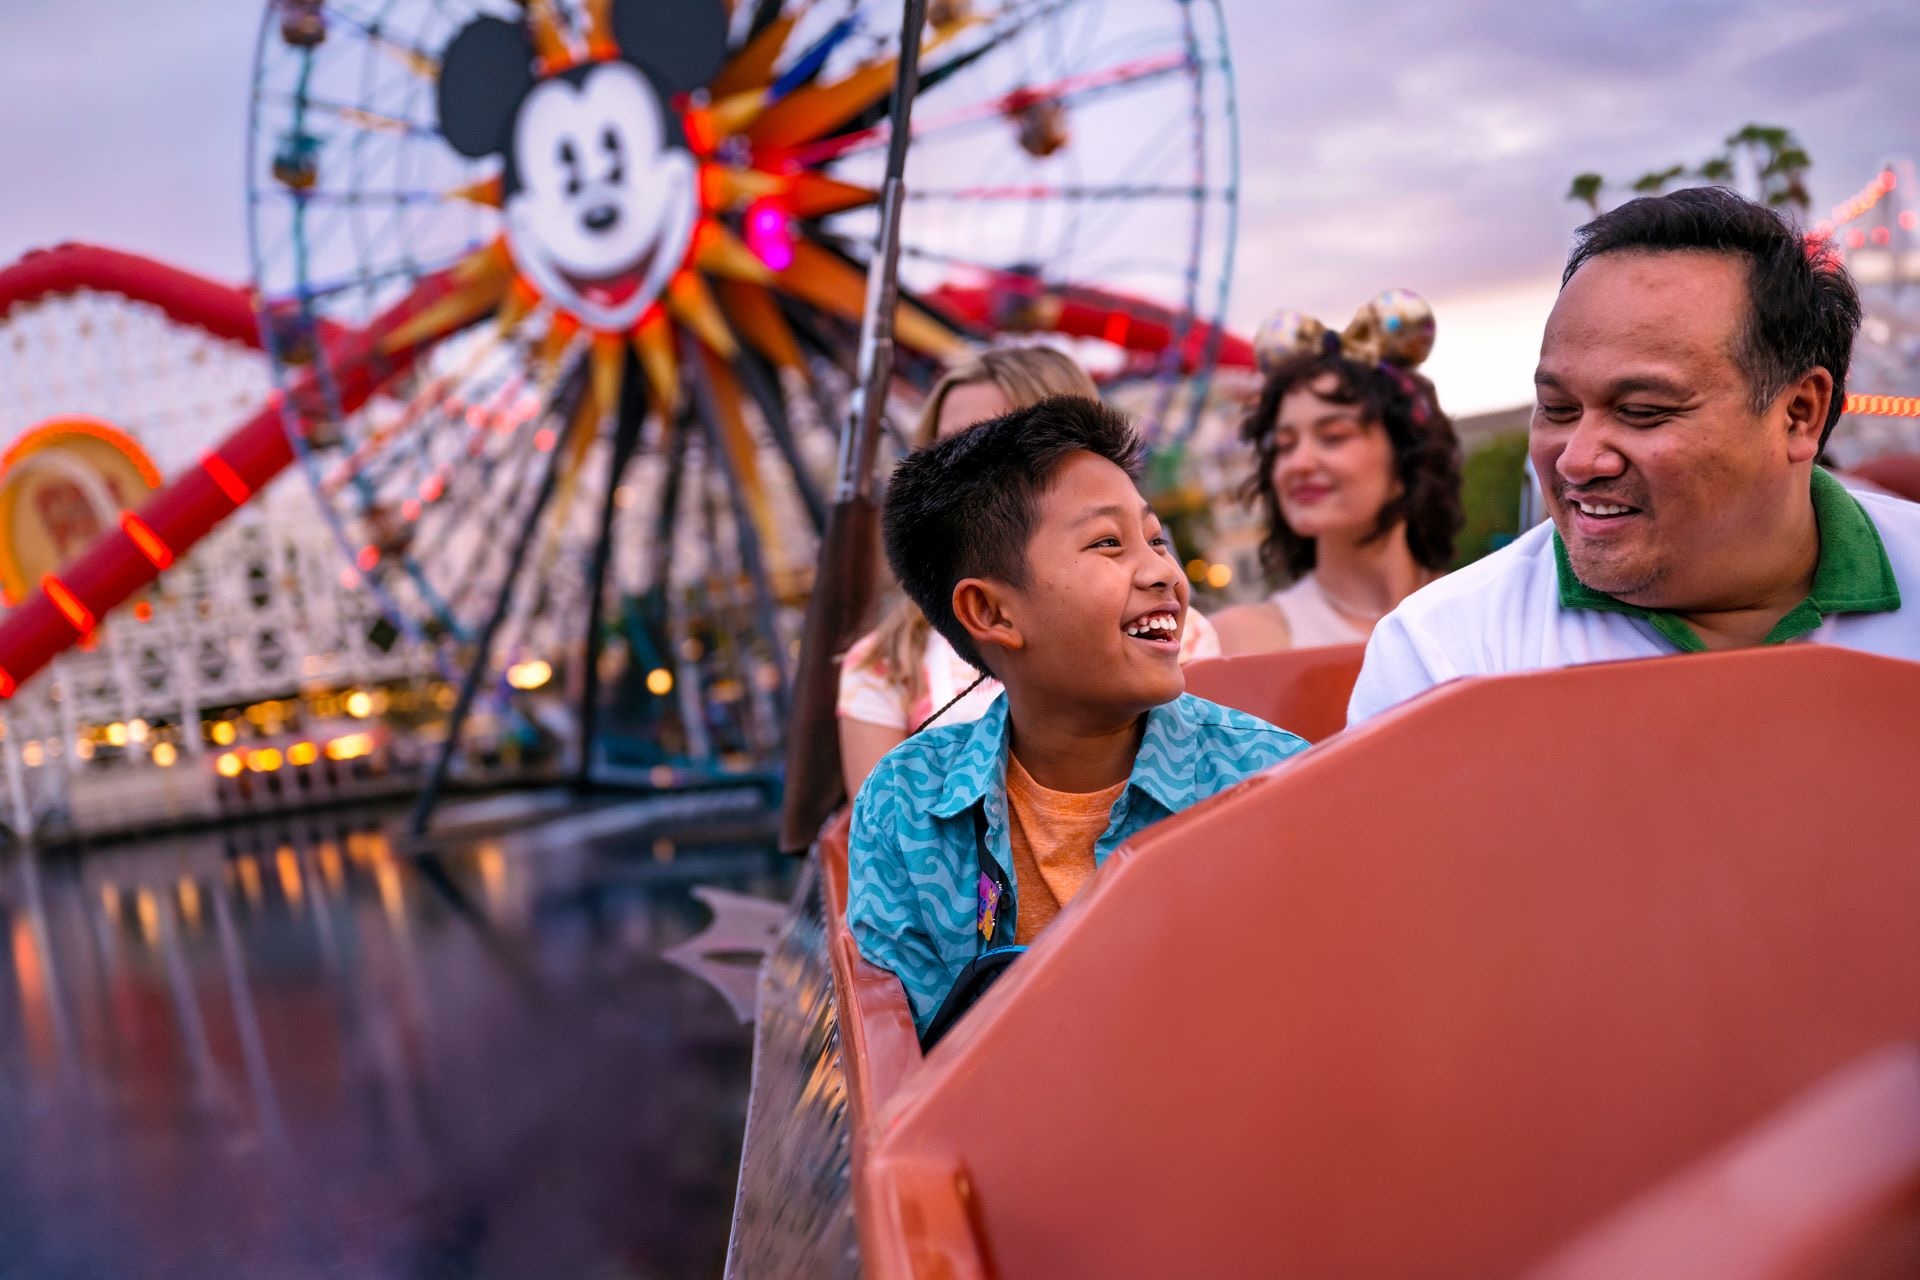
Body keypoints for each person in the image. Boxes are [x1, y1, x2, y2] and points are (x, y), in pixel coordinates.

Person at [1348, 187, 1920, 725]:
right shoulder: (1442, 655)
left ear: (1799, 413)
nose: (1577, 460)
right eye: (1557, 408)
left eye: (1642, 411)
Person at [846, 397, 1306, 1037]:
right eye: (1108, 543)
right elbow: (908, 1058)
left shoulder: (1273, 781)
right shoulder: (906, 806)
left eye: (1156, 539)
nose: (1162, 573)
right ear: (993, 614)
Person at [837, 349, 1220, 795]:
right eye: (953, 452)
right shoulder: (886, 664)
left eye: (1004, 445)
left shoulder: (1175, 637)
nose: (979, 474)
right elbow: (889, 841)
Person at [1214, 290, 1464, 654]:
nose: (1298, 463)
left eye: (1332, 436)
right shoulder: (1238, 642)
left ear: (1407, 452)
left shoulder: (1480, 613)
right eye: (1283, 445)